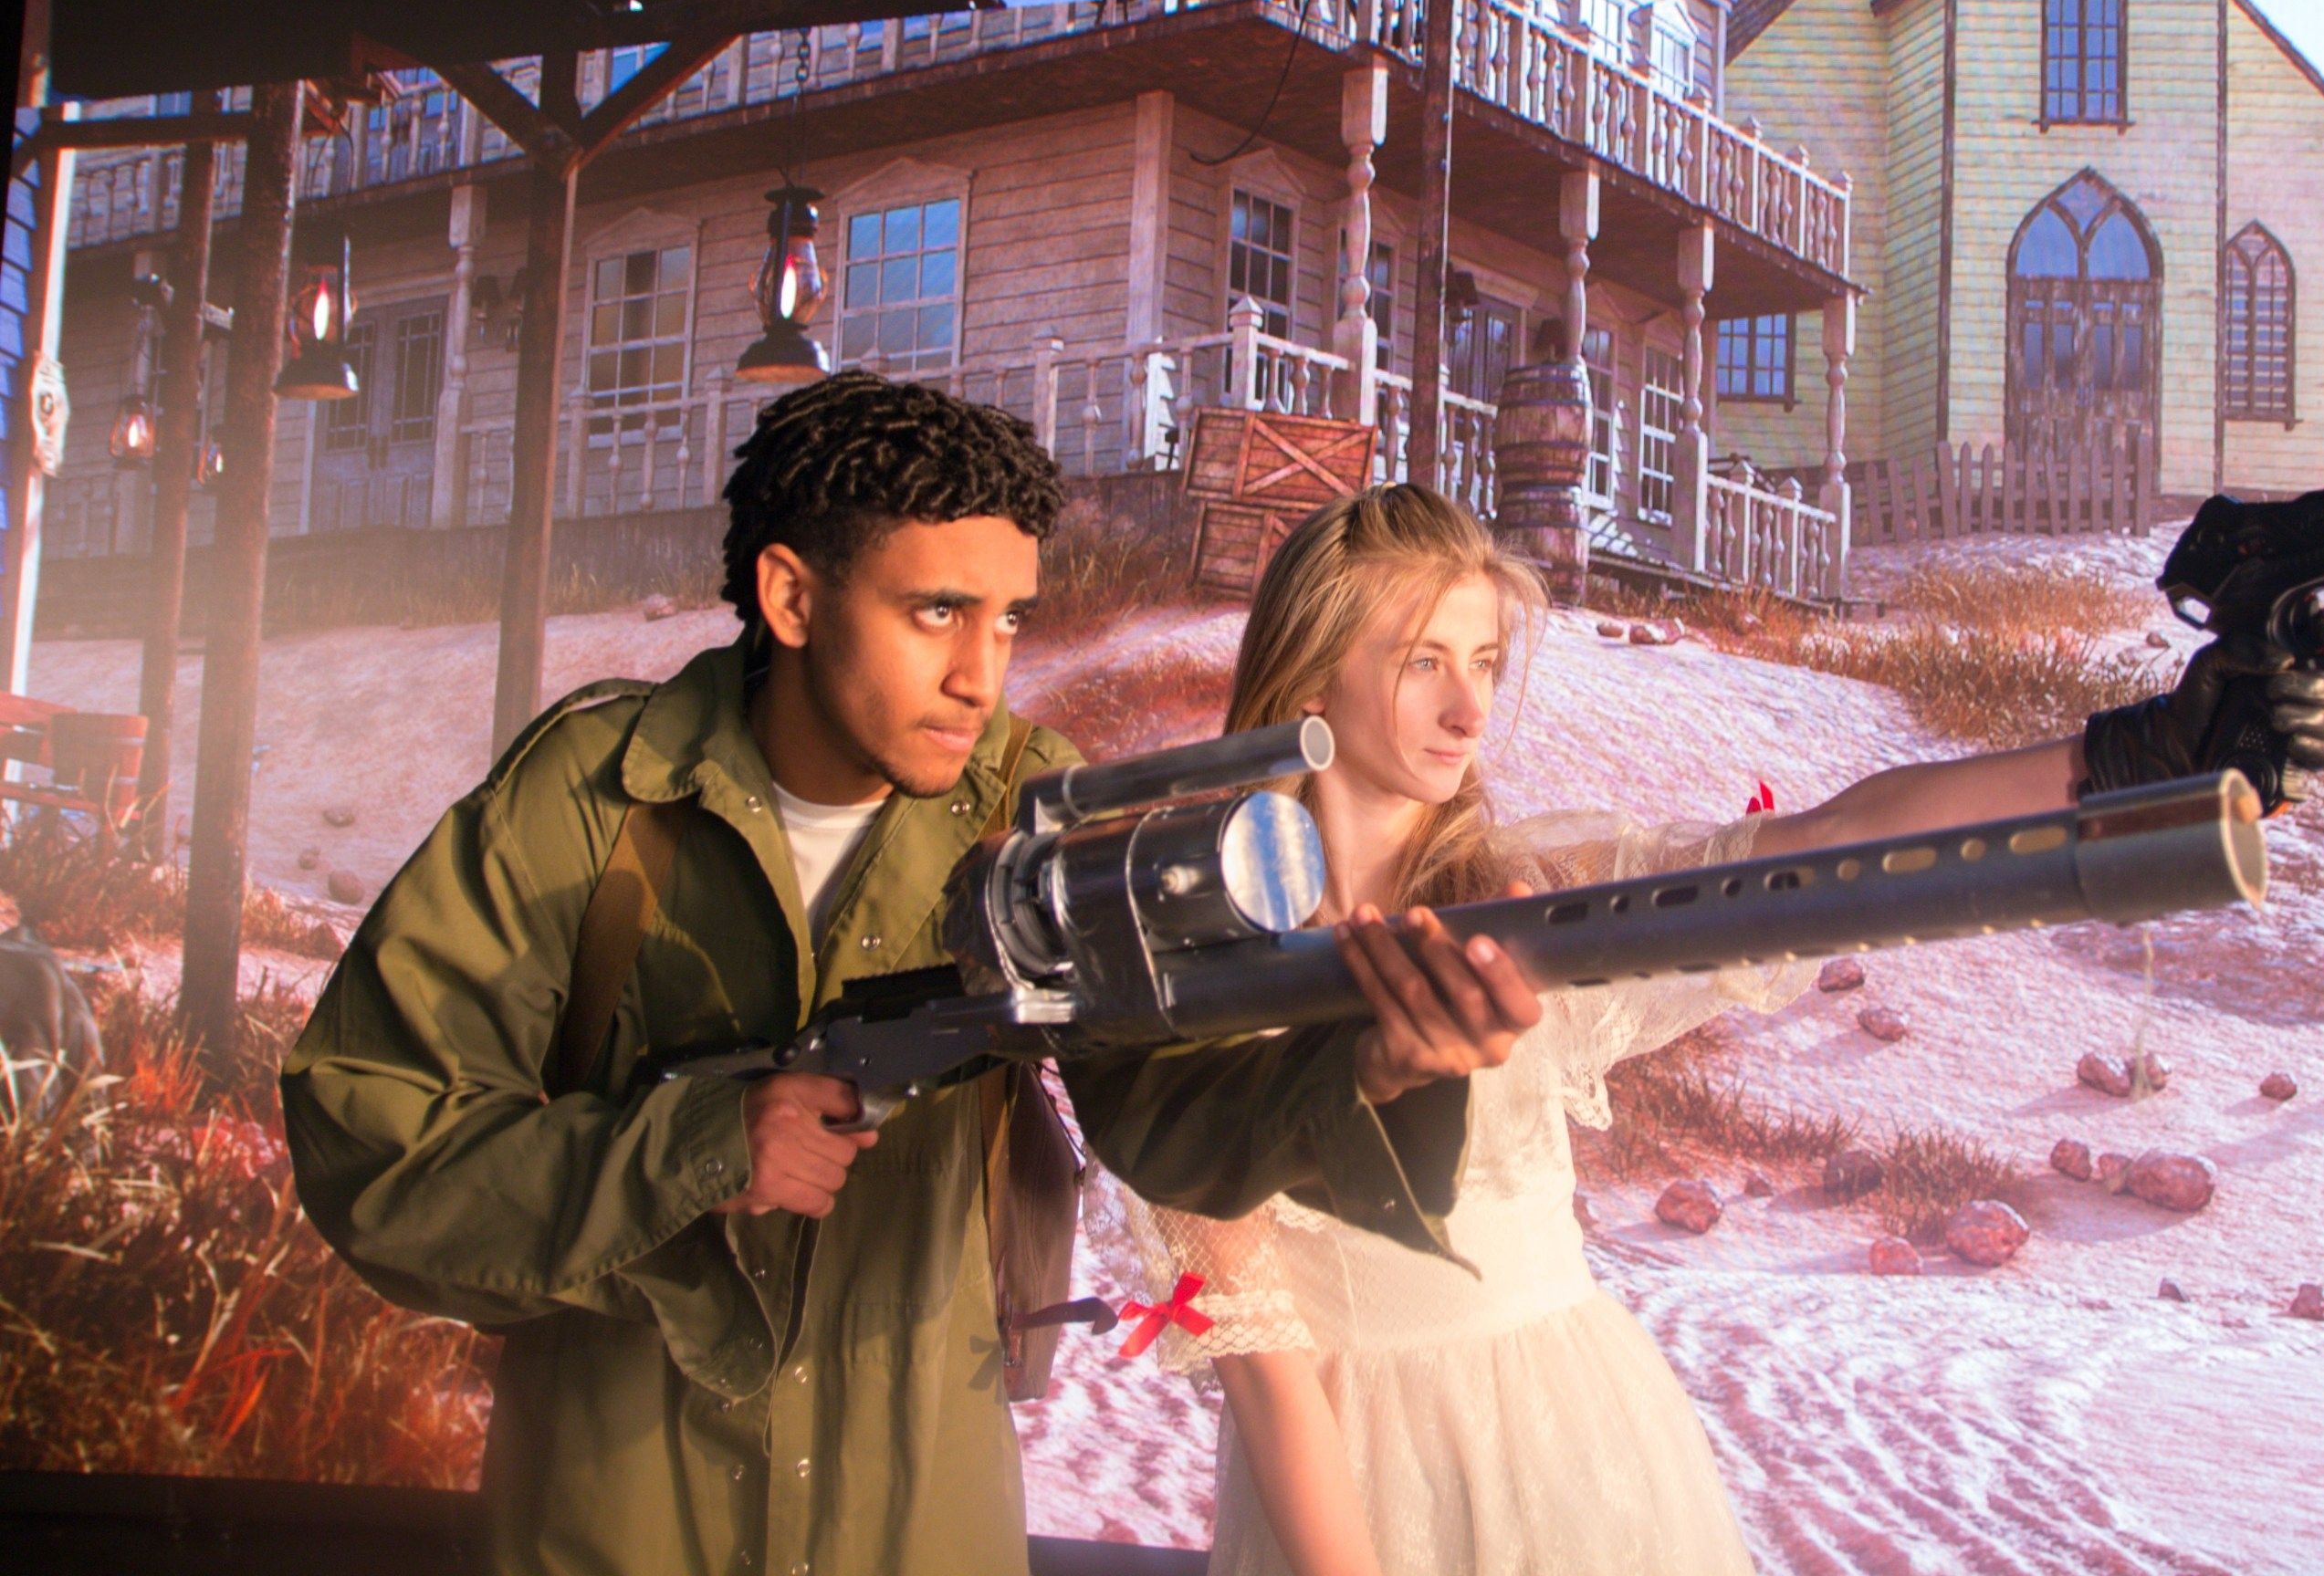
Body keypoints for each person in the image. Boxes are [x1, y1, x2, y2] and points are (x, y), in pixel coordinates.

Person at [279, 374, 1538, 1576]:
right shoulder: (593, 802)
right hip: (622, 1523)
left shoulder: (1029, 806)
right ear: (791, 597)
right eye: (935, 611)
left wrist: (1373, 1063)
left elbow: (1175, 1119)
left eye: (1009, 621)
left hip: (916, 1517)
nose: (980, 675)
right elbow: (373, 1147)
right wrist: (698, 1149)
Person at [1123, 483, 2324, 1576]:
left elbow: (1821, 844)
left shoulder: (1536, 897)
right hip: (1358, 1487)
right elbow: (1263, 1367)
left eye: (1486, 658)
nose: (1466, 705)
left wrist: (2138, 756)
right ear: (1306, 675)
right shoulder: (1193, 963)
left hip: (1585, 1443)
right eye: (1418, 659)